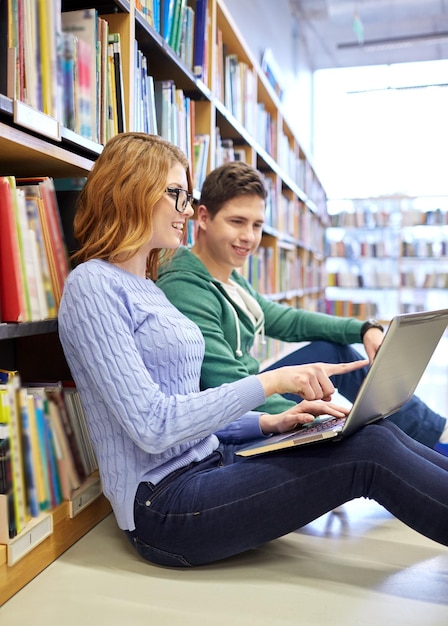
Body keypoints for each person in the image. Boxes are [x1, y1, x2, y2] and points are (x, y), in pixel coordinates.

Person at [58, 132, 448, 569]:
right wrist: (270, 383)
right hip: (163, 505)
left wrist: (266, 423)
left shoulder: (146, 286)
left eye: (187, 197)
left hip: (212, 461)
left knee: (367, 433)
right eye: (176, 195)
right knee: (368, 457)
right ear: (131, 189)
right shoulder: (92, 286)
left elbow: (189, 408)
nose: (186, 210)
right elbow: (153, 426)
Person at [157, 160, 448, 455]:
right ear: (203, 217)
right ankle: (435, 443)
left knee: (333, 350)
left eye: (257, 225)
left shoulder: (228, 278)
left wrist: (363, 329)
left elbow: (290, 321)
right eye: (237, 222)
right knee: (367, 438)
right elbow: (229, 388)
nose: (249, 237)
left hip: (252, 392)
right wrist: (319, 421)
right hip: (235, 417)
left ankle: (436, 435)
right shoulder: (187, 288)